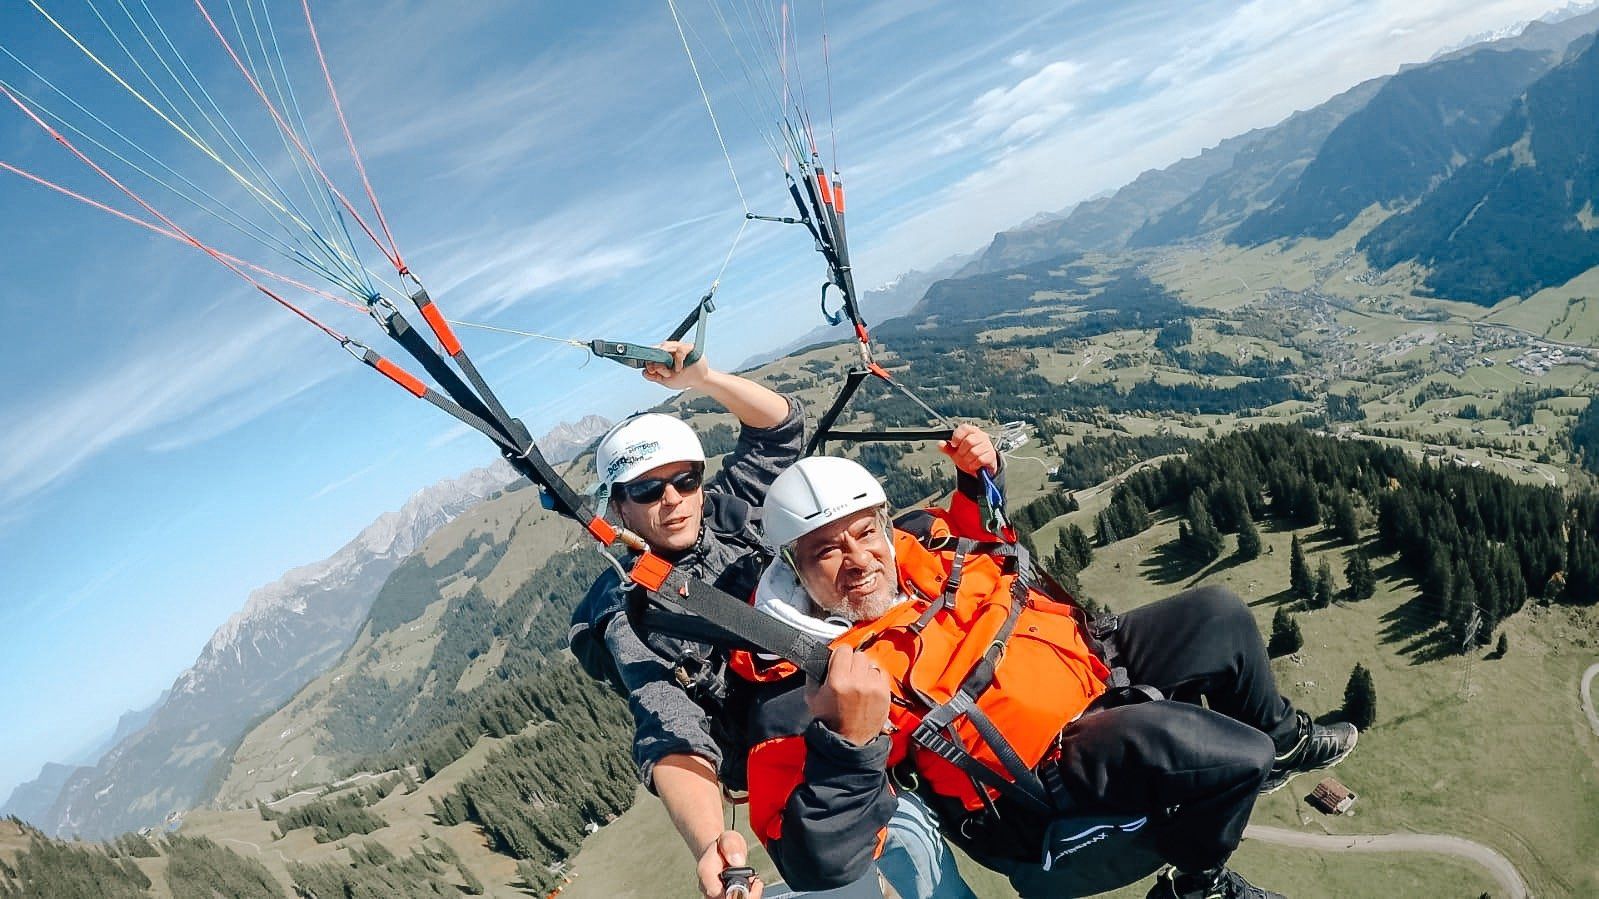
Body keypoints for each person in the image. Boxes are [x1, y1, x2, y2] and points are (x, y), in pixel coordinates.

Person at [740, 428, 1359, 899]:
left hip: (1090, 661)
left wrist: (980, 476)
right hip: (1040, 776)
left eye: (863, 533)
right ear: (793, 569)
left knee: (1219, 616)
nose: (858, 560)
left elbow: (983, 535)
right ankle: (1199, 885)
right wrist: (847, 747)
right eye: (826, 551)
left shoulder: (913, 543)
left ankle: (1285, 741)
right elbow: (810, 853)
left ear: (880, 522)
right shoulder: (816, 680)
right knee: (1230, 760)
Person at [569, 342, 974, 899]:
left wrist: (706, 378)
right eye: (646, 489)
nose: (674, 500)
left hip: (858, 687)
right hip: (791, 753)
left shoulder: (730, 512)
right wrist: (710, 843)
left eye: (685, 480)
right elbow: (669, 729)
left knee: (923, 852)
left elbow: (779, 427)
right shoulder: (635, 614)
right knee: (850, 872)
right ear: (617, 507)